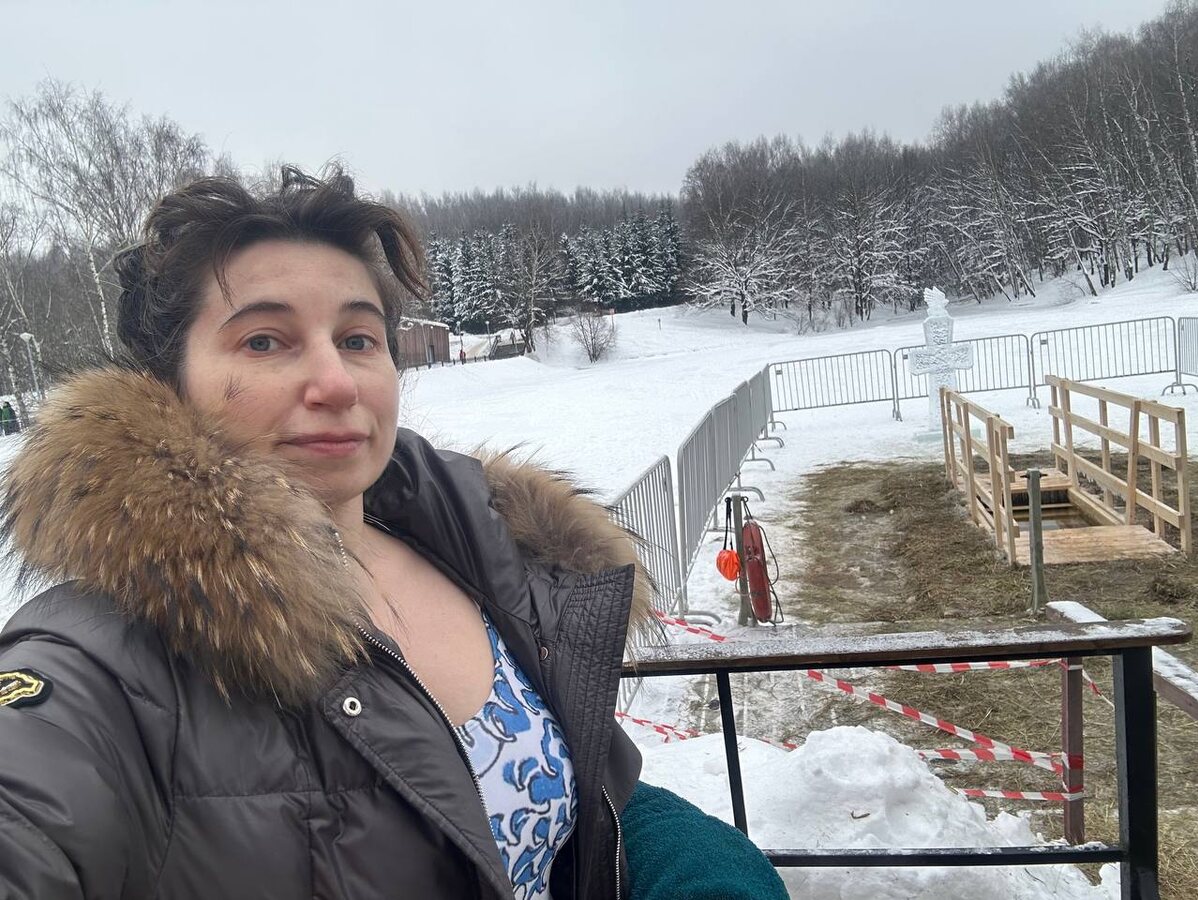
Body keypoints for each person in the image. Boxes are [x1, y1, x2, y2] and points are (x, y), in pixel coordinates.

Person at [0, 167, 787, 900]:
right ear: (165, 386)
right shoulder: (100, 661)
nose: (336, 383)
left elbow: (564, 792)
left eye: (357, 339)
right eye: (264, 340)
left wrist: (685, 857)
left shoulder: (483, 552)